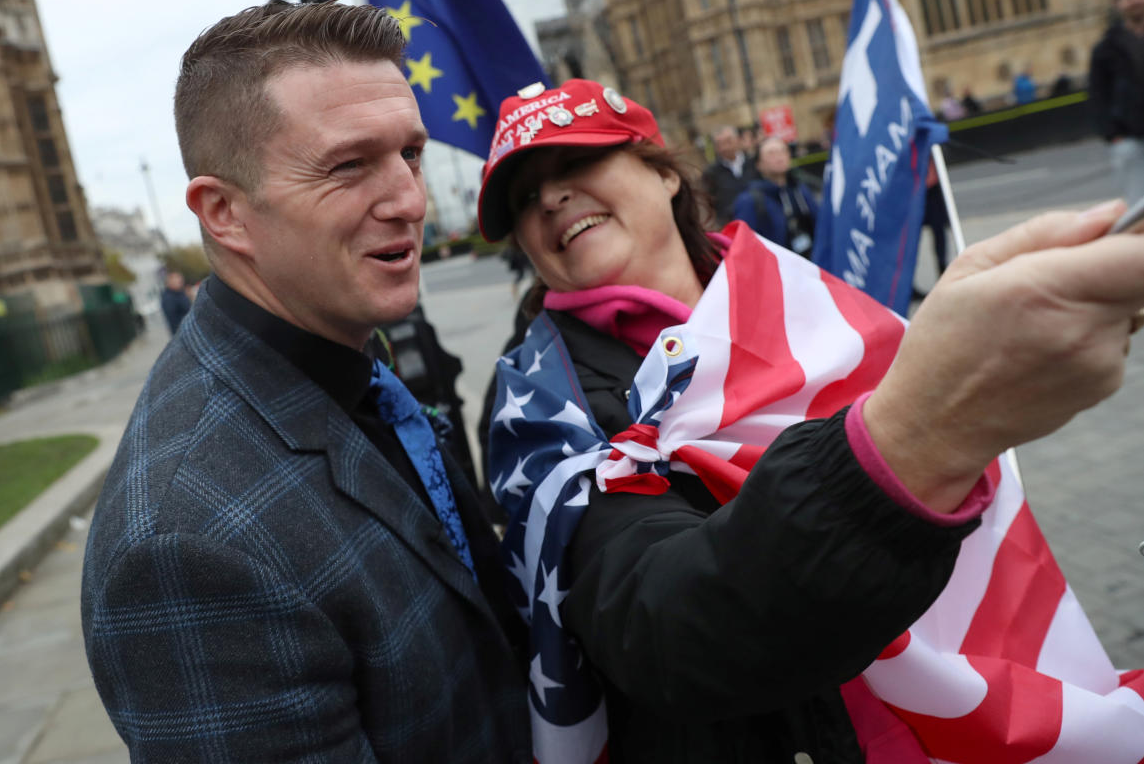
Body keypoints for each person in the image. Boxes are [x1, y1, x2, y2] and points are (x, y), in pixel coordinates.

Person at [475, 78, 1144, 762]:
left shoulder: (799, 287)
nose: (549, 198)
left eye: (574, 164)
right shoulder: (537, 402)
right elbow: (660, 628)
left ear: (661, 173)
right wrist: (921, 435)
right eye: (524, 198)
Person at [80, 1, 530, 762]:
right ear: (223, 212)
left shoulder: (344, 359)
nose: (409, 201)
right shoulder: (185, 547)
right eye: (348, 165)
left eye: (410, 155)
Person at [1090, 0, 1144, 207]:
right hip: (1129, 138)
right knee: (1137, 205)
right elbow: (1098, 95)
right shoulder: (1105, 48)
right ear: (1117, 3)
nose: (1135, 0)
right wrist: (1113, 135)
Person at [730, 134, 818, 258]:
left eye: (783, 151)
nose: (779, 156)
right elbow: (744, 248)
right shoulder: (749, 201)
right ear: (759, 164)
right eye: (771, 153)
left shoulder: (800, 189)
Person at [701, 125, 757, 226]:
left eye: (728, 141)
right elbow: (710, 203)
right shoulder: (711, 173)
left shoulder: (754, 163)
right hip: (734, 225)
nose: (725, 147)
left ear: (738, 140)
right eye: (719, 144)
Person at [158, 268, 190, 334]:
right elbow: (174, 318)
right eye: (177, 279)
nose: (180, 281)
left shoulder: (179, 293)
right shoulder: (169, 298)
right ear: (169, 281)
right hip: (183, 333)